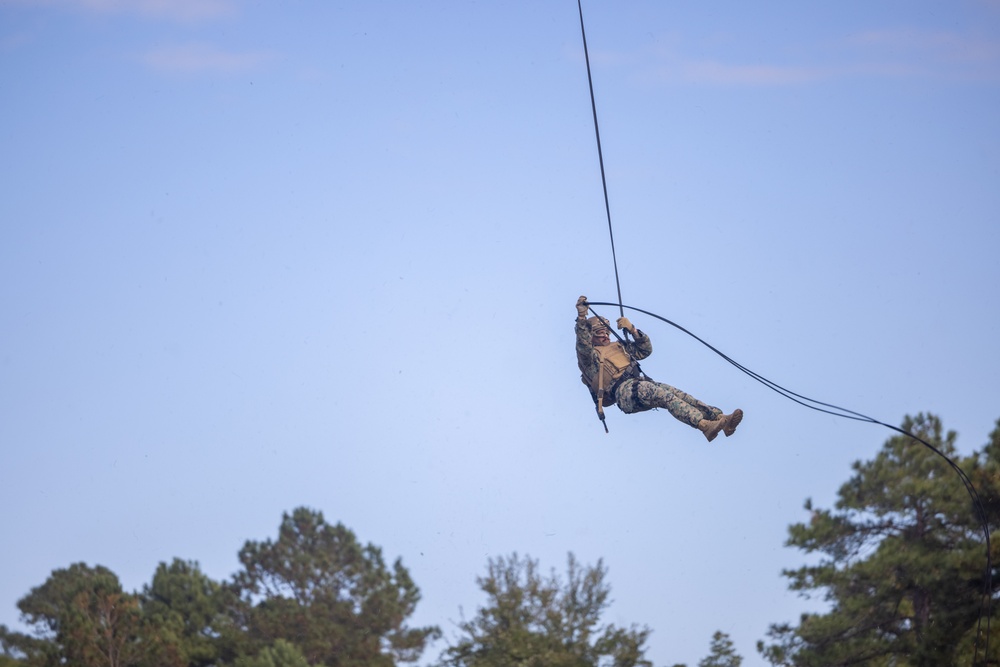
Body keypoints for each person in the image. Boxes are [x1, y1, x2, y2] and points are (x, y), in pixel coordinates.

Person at [575, 295, 743, 441]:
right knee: (663, 395)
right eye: (599, 333)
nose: (605, 335)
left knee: (678, 394)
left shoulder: (619, 346)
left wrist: (633, 330)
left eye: (606, 332)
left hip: (639, 383)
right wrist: (581, 317)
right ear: (591, 336)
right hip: (624, 393)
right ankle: (704, 425)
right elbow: (582, 344)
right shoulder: (590, 358)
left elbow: (645, 350)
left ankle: (721, 419)